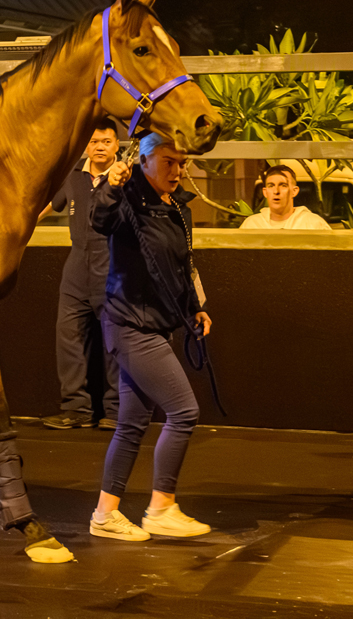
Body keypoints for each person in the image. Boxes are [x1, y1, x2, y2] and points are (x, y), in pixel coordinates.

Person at [86, 133, 213, 541]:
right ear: (144, 161)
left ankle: (105, 515)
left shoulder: (176, 207)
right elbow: (98, 219)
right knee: (184, 412)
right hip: (131, 326)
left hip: (155, 324)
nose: (178, 170)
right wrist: (111, 183)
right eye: (169, 162)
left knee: (131, 424)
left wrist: (196, 306)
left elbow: (182, 265)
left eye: (181, 163)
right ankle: (161, 507)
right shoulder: (127, 202)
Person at [42, 118, 121, 430]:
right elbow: (48, 206)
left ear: (117, 145)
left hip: (113, 265)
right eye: (94, 141)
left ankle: (116, 413)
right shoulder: (73, 174)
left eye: (106, 141)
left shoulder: (126, 176)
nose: (99, 147)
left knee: (116, 343)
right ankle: (75, 410)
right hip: (76, 265)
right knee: (69, 339)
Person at [239, 164, 332, 230]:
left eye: (283, 185)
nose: (276, 191)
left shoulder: (313, 224)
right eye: (271, 186)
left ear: (294, 191)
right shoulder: (252, 225)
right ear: (265, 192)